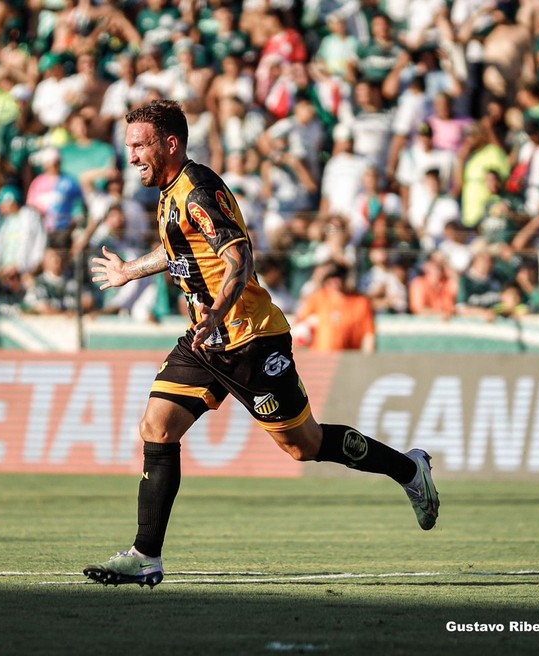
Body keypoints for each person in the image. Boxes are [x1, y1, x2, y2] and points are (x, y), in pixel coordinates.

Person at [84, 100, 439, 588]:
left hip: (250, 339)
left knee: (304, 445)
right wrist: (129, 270)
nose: (131, 157)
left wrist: (217, 310)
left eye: (140, 146)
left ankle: (408, 469)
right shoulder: (169, 193)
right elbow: (178, 248)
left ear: (171, 143)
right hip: (205, 341)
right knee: (157, 428)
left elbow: (240, 258)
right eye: (129, 147)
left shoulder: (198, 190)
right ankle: (146, 555)